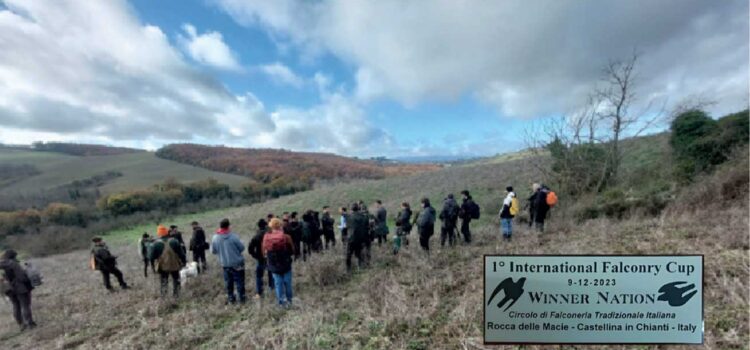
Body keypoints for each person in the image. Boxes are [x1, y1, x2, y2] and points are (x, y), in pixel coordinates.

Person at [211, 219, 247, 304]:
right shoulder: (234, 236)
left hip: (225, 264)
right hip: (237, 263)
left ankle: (231, 299)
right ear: (228, 226)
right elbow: (242, 248)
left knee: (229, 282)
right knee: (240, 281)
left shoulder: (215, 237)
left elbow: (213, 251)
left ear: (220, 226)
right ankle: (241, 299)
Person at [0, 249, 36, 330]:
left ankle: (21, 324)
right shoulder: (13, 264)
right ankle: (30, 324)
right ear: (13, 256)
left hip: (8, 289)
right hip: (19, 287)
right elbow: (22, 277)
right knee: (25, 305)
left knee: (16, 306)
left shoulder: (1, 264)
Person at [262, 218, 295, 307]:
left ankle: (281, 303)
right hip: (285, 263)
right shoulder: (286, 237)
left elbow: (263, 252)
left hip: (273, 264)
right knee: (287, 282)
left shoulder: (266, 237)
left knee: (278, 283)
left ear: (271, 226)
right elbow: (292, 250)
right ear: (280, 225)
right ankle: (290, 301)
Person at [149, 225, 186, 298]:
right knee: (176, 280)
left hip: (163, 266)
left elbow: (151, 257)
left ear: (159, 234)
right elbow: (182, 254)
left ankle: (164, 297)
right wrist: (184, 262)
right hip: (174, 264)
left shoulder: (155, 244)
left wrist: (153, 267)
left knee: (164, 281)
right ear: (166, 232)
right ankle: (176, 296)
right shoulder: (174, 241)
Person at [248, 219, 274, 299]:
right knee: (271, 273)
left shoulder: (257, 236)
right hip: (270, 256)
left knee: (259, 276)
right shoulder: (270, 233)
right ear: (266, 225)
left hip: (260, 258)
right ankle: (272, 289)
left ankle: (259, 292)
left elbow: (250, 248)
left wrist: (255, 255)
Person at [345, 203, 369, 271]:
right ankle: (360, 268)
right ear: (358, 208)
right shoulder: (363, 216)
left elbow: (347, 227)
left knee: (349, 254)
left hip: (351, 238)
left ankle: (348, 269)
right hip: (360, 238)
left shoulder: (349, 217)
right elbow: (366, 225)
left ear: (351, 209)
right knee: (359, 253)